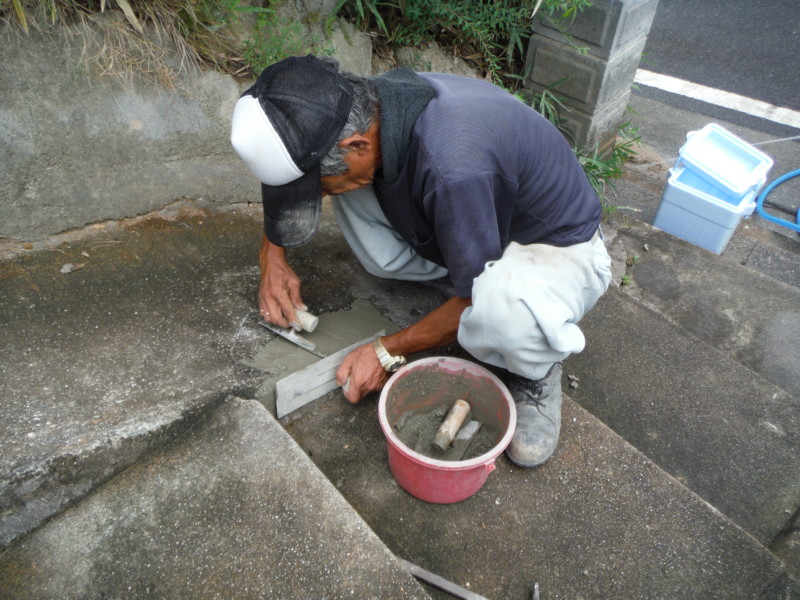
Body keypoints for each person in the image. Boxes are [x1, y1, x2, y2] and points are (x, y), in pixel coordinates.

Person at [230, 54, 612, 468]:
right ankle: (469, 263)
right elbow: (294, 169)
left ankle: (536, 366)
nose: (318, 196)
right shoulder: (354, 108)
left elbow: (470, 299)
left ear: (356, 145)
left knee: (499, 308)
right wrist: (273, 255)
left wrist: (384, 350)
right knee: (350, 186)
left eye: (315, 188)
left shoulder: (454, 167)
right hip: (481, 214)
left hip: (556, 249)